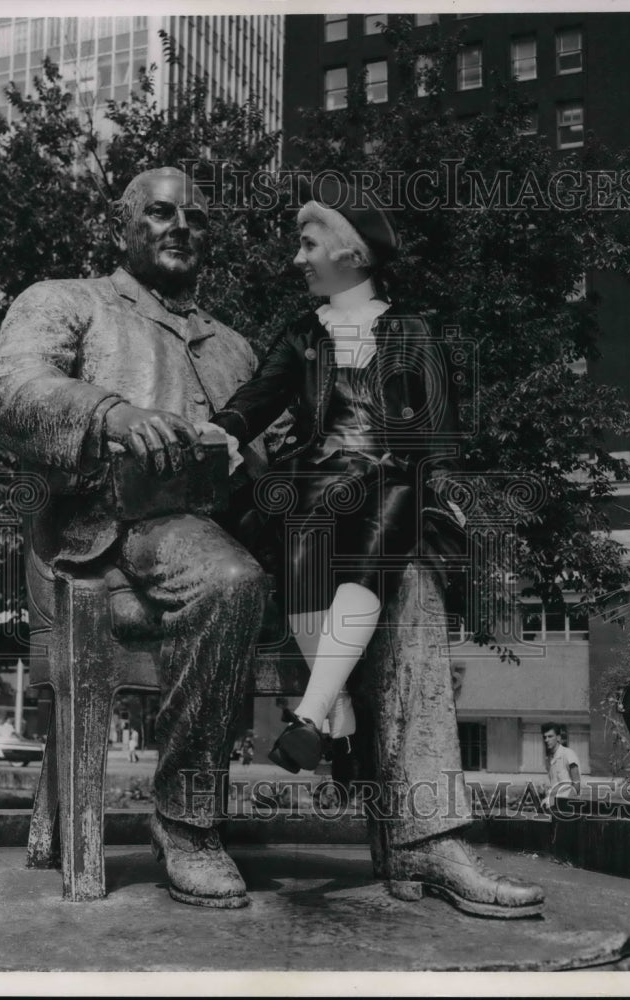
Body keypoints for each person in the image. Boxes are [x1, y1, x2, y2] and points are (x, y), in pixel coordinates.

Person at [212, 174, 545, 918]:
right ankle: (331, 718)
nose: (296, 257)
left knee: (395, 501)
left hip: (389, 487)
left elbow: (428, 431)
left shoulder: (412, 330)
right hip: (310, 495)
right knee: (309, 519)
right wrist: (223, 429)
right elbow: (254, 400)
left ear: (352, 252)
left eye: (307, 242)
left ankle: (321, 714)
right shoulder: (300, 334)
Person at [0, 167, 270, 910]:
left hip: (223, 528)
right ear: (123, 228)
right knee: (229, 580)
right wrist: (111, 414)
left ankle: (416, 838)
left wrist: (256, 457)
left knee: (380, 572)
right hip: (104, 543)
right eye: (160, 212)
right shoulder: (66, 301)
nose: (181, 227)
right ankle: (186, 824)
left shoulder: (235, 348)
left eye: (197, 219)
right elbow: (11, 394)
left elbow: (282, 446)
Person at [540, 722, 581, 808]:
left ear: (558, 738)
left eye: (550, 736)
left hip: (566, 808)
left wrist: (565, 805)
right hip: (551, 805)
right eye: (545, 737)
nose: (546, 740)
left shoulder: (568, 754)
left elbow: (576, 786)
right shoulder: (549, 760)